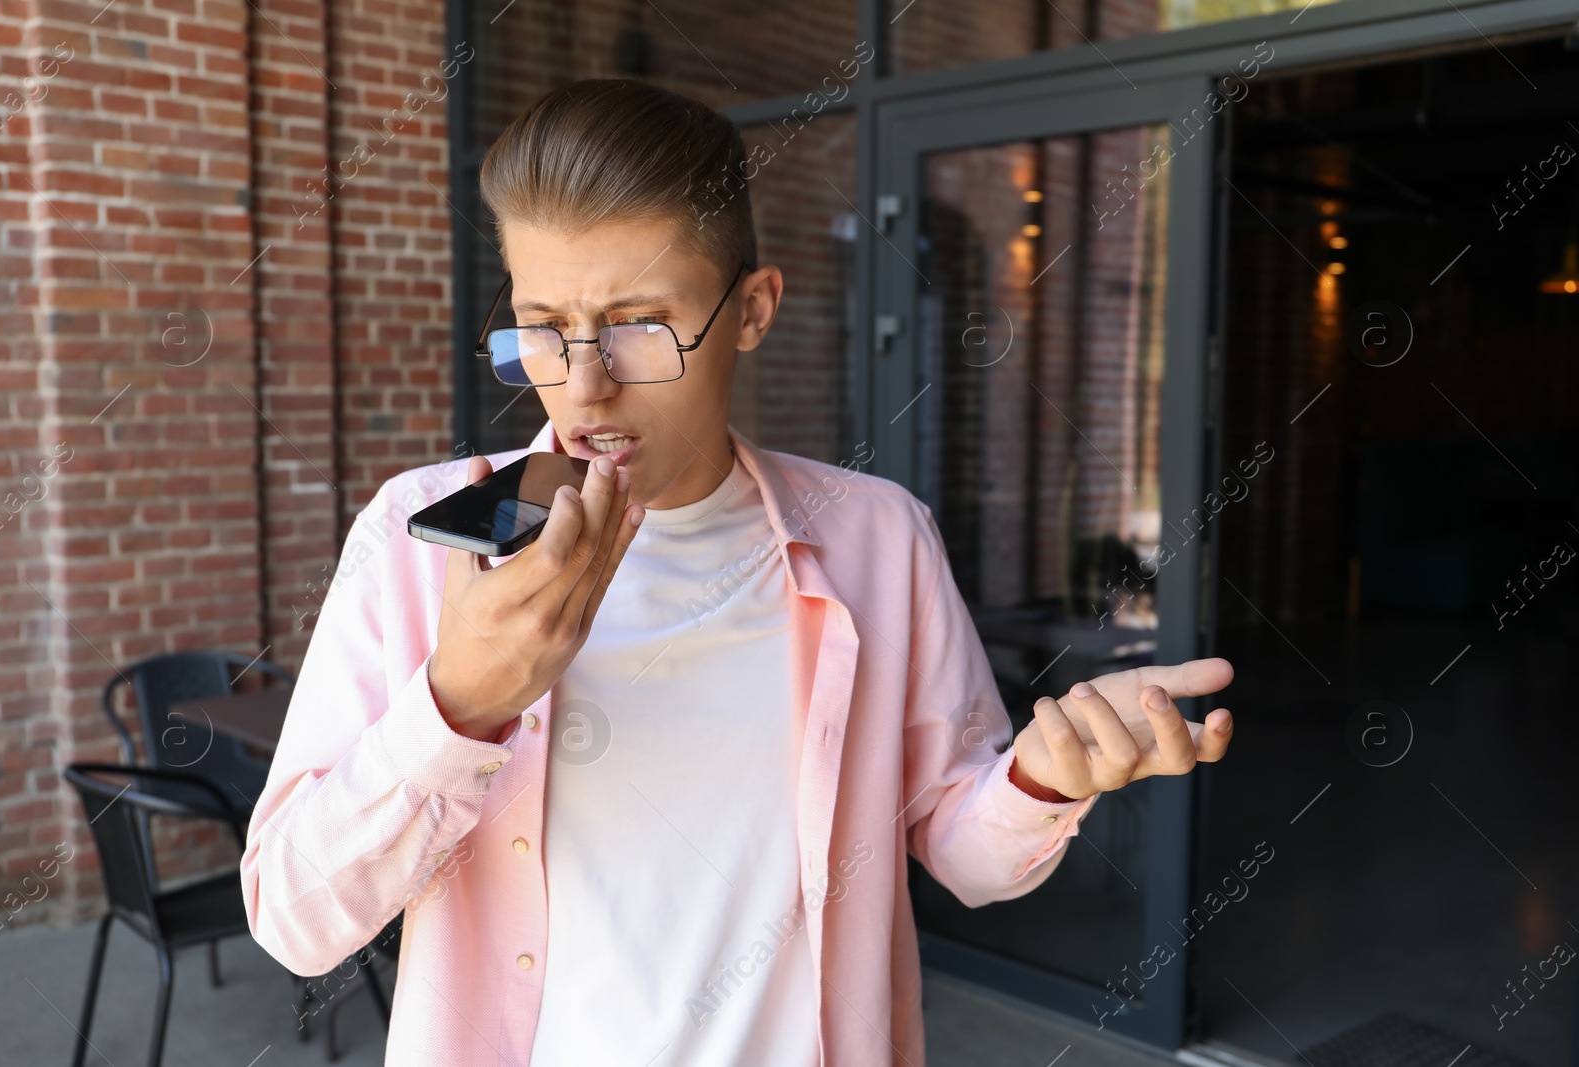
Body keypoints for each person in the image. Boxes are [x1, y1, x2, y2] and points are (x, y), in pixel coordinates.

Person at [240, 77, 1236, 1066]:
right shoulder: (420, 542)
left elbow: (961, 853)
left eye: (638, 324)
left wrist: (1042, 777)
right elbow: (294, 920)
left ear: (753, 309)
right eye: (542, 326)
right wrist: (458, 704)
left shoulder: (877, 540)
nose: (583, 385)